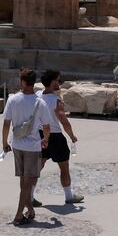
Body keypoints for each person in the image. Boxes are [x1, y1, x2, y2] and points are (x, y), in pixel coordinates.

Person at [0, 68, 56, 226]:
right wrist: (45, 139)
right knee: (28, 182)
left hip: (17, 144)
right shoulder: (40, 102)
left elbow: (6, 124)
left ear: (22, 81)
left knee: (24, 181)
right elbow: (46, 126)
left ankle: (29, 209)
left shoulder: (12, 99)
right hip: (33, 146)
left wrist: (4, 143)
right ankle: (18, 215)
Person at [38, 70, 83, 206]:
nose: (60, 83)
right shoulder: (55, 100)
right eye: (58, 80)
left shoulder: (37, 95)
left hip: (40, 134)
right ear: (52, 82)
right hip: (55, 136)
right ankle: (69, 196)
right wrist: (72, 136)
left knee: (38, 165)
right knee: (64, 167)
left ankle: (29, 194)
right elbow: (63, 121)